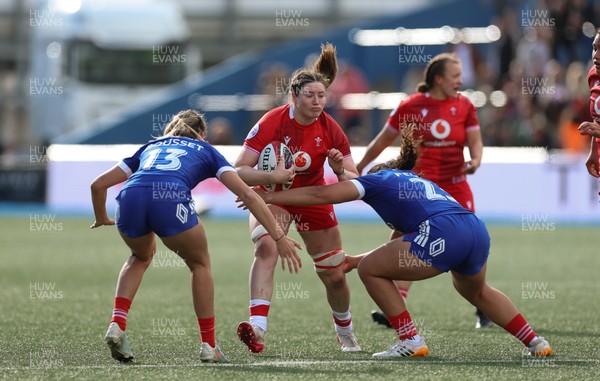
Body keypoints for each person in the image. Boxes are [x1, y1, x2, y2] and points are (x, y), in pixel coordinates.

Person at [250, 126, 553, 359]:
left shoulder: (378, 181)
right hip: (473, 229)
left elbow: (321, 195)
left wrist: (270, 196)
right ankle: (535, 342)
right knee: (476, 291)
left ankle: (410, 339)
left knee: (371, 270)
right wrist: (353, 260)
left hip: (442, 231)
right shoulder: (413, 185)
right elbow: (398, 247)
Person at [90, 109, 302, 363]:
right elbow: (247, 195)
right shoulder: (207, 150)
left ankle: (117, 323)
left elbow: (98, 185)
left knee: (140, 256)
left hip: (130, 197)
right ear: (202, 133)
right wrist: (278, 234)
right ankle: (208, 345)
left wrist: (101, 217)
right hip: (169, 198)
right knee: (199, 264)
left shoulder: (151, 146)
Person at [233, 43, 362, 353]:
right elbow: (239, 170)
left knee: (333, 274)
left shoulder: (331, 129)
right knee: (266, 246)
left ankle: (345, 332)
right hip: (273, 198)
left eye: (321, 96)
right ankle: (258, 328)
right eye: (310, 96)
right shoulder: (271, 122)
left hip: (312, 199)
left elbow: (355, 179)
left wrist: (338, 170)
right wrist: (270, 179)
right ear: (294, 96)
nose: (317, 102)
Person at [355, 52, 491, 329]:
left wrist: (475, 161)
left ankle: (482, 304)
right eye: (455, 76)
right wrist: (359, 167)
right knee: (403, 243)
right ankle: (399, 305)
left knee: (468, 244)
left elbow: (475, 141)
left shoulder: (464, 105)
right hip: (421, 189)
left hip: (455, 187)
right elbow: (383, 140)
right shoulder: (410, 105)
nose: (460, 81)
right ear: (438, 79)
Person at [578, 28, 600, 177]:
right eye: (594, 48)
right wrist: (594, 150)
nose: (596, 56)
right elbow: (597, 119)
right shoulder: (593, 75)